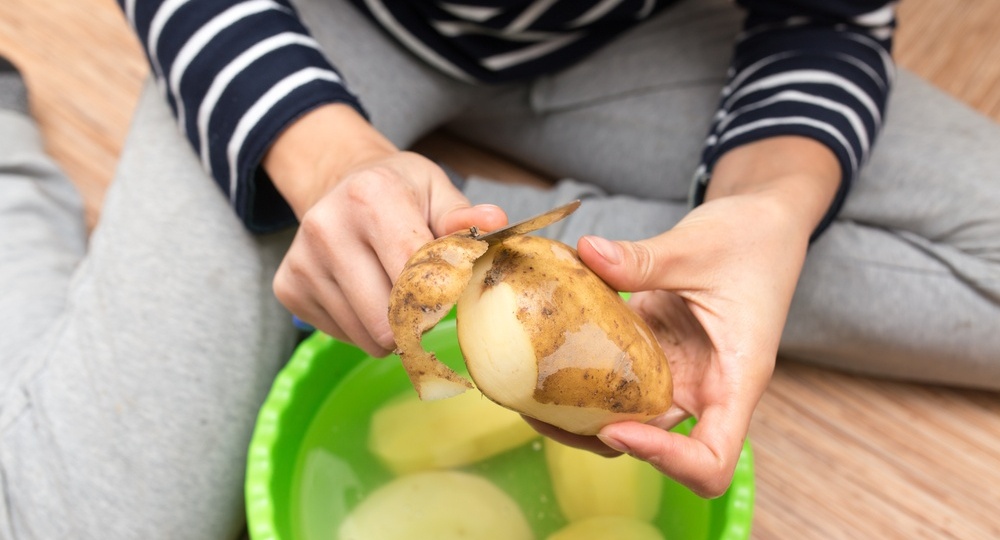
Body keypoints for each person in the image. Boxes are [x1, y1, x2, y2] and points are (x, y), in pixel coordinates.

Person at [1, 0, 998, 537]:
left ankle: (440, 225)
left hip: (640, 31)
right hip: (308, 32)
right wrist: (321, 158)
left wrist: (765, 214)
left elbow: (822, 17)